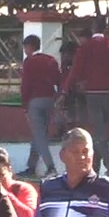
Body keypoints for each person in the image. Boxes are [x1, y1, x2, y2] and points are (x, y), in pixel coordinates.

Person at [63, 20, 109, 178]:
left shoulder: (86, 47)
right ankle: (95, 167)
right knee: (102, 130)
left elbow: (77, 69)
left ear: (93, 29)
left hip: (92, 92)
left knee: (98, 132)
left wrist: (67, 88)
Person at [19, 35, 61, 177]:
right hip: (49, 99)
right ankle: (31, 166)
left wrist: (24, 104)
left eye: (25, 47)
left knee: (39, 135)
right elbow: (58, 80)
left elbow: (26, 85)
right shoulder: (51, 60)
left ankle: (50, 167)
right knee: (39, 133)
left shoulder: (29, 62)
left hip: (34, 101)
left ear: (29, 47)